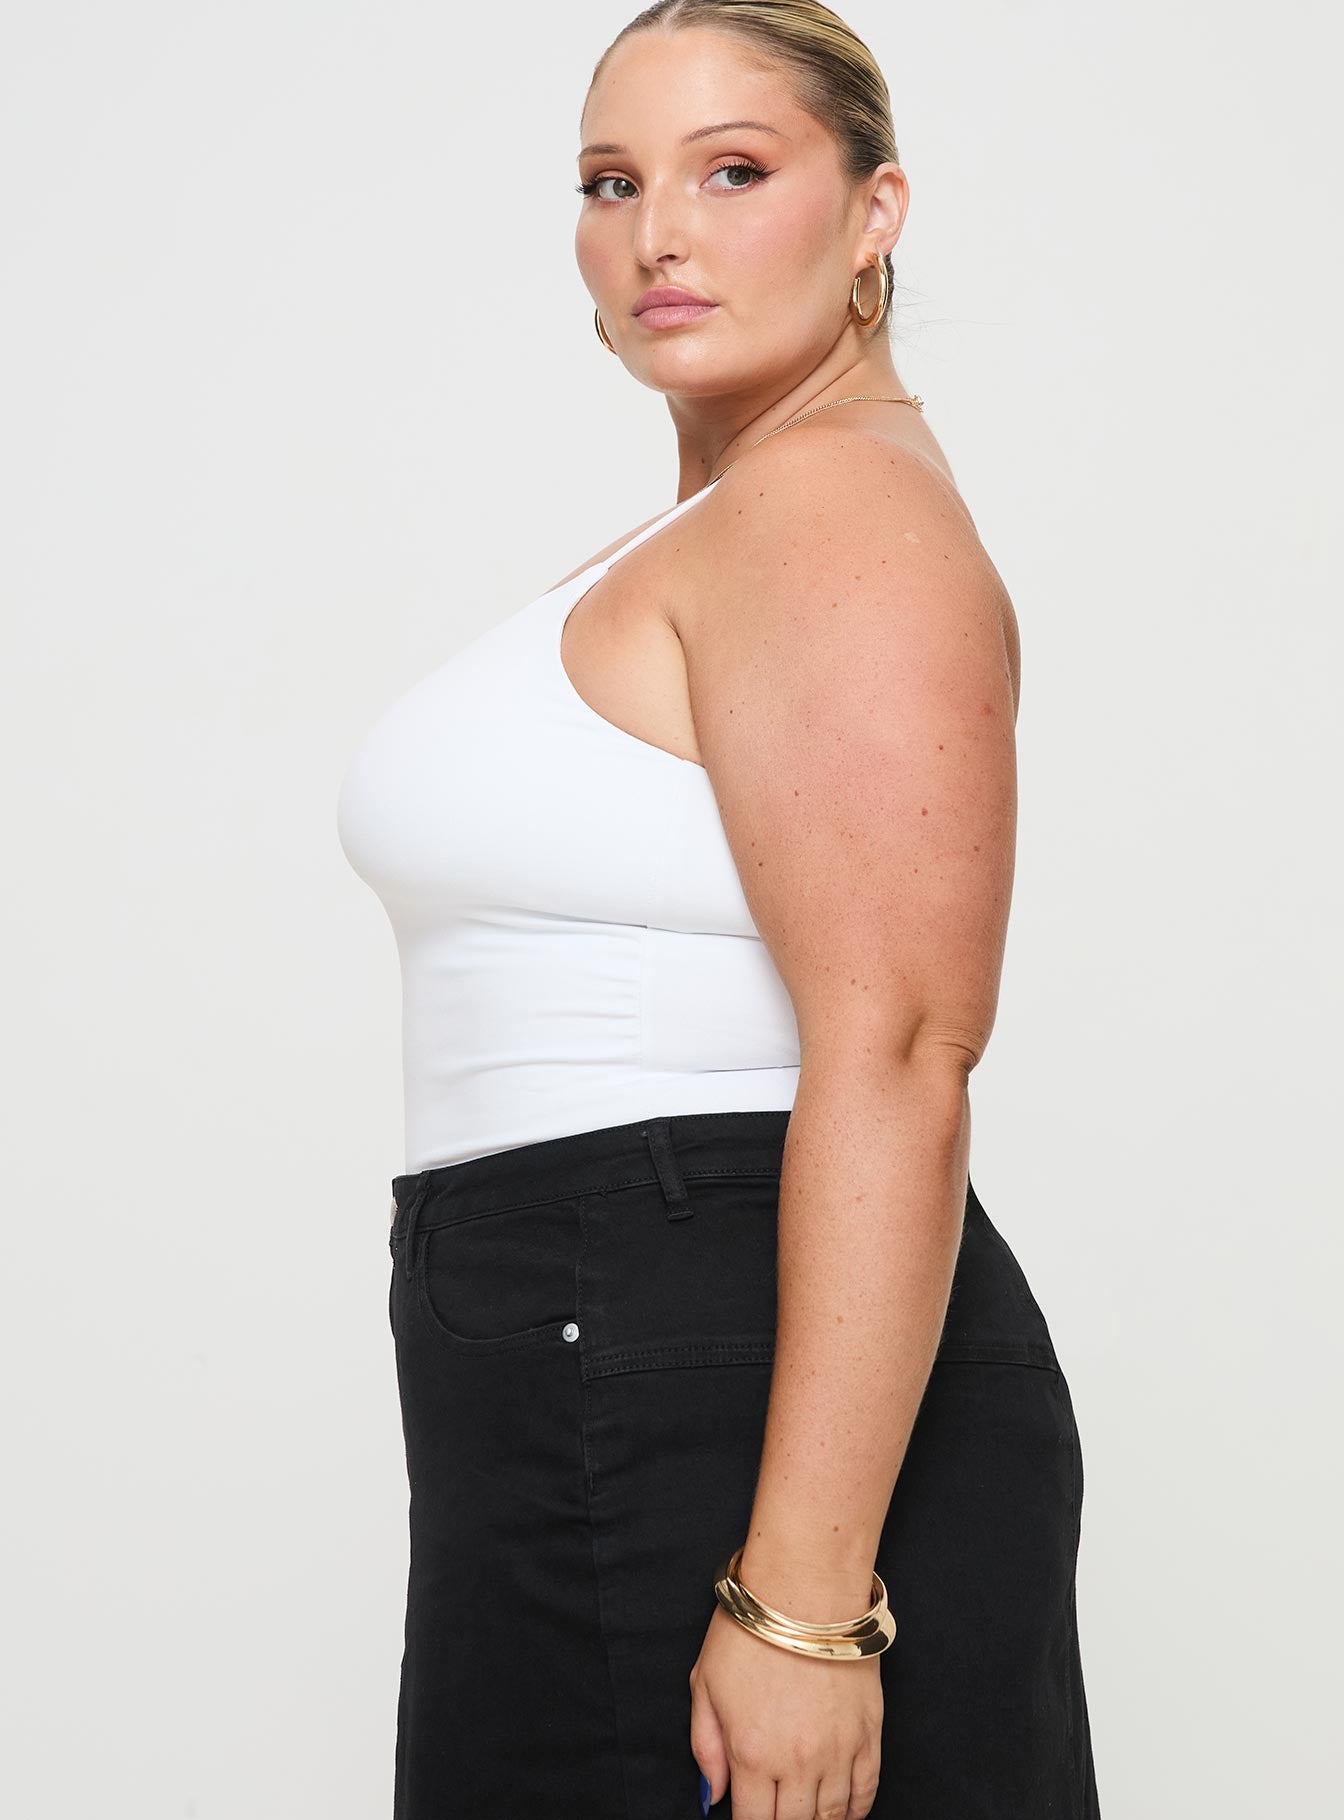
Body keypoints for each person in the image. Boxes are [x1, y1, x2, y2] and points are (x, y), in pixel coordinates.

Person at [336, 2, 1102, 1816]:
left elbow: (902, 1045)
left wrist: (807, 1607)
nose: (657, 233)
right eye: (612, 183)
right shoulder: (726, 523)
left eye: (734, 171)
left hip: (696, 1346)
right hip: (602, 1336)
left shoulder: (834, 512)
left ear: (876, 210)